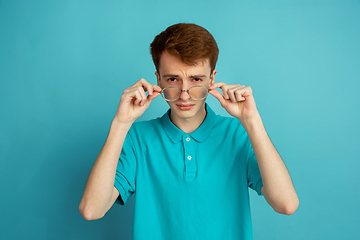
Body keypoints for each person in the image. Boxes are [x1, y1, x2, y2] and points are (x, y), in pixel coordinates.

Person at [79, 23, 299, 240]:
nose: (184, 95)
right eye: (173, 79)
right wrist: (120, 124)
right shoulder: (137, 138)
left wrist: (252, 121)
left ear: (212, 78)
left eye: (196, 79)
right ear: (158, 79)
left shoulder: (238, 134)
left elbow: (286, 204)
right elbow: (92, 210)